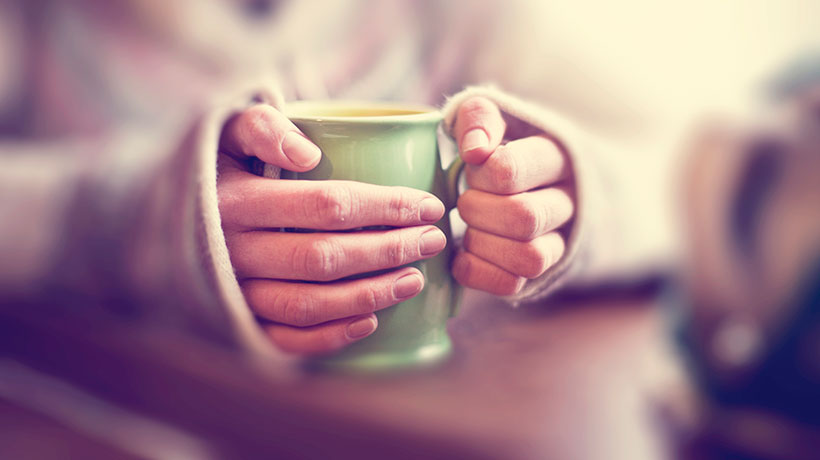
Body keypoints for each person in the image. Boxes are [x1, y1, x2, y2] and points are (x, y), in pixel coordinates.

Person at [0, 0, 679, 356]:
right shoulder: (39, 21)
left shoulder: (458, 15)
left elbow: (683, 174)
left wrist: (577, 197)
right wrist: (132, 219)